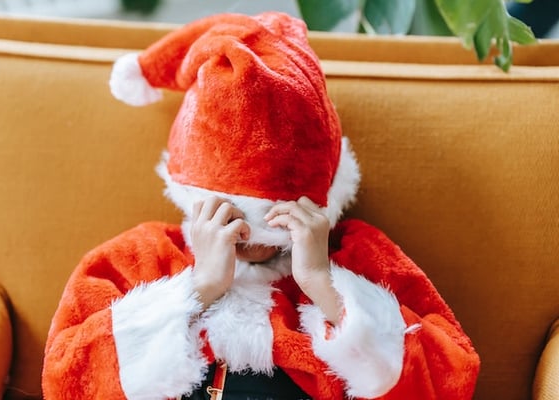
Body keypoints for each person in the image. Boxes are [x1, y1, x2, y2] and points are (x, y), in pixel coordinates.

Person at [41, 11, 480, 400]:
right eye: (232, 215)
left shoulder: (357, 257)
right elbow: (67, 379)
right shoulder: (142, 259)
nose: (249, 236)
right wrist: (197, 289)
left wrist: (324, 287)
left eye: (273, 215)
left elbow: (448, 380)